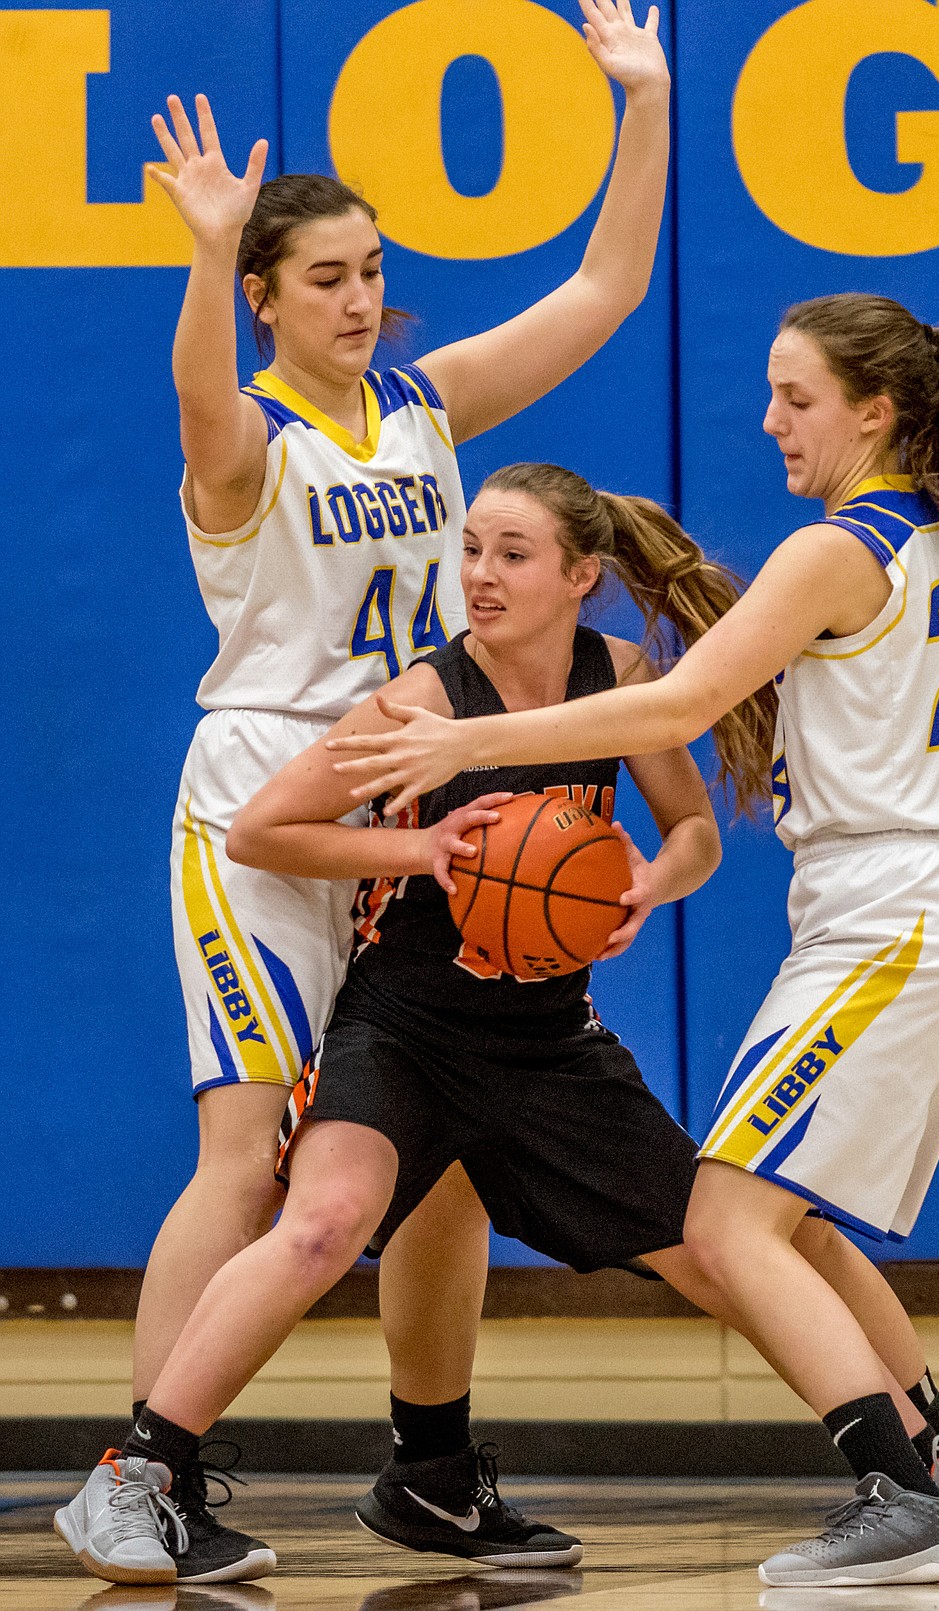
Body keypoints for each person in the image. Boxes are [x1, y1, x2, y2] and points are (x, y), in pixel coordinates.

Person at [322, 295, 939, 1587]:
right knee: (794, 1222)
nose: (768, 420)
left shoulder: (834, 549)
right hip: (932, 895)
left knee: (728, 1216)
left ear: (873, 410)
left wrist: (463, 739)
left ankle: (896, 1491)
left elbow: (686, 695)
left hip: (886, 911)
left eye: (794, 398)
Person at [75, 0, 673, 1585]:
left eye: (371, 271)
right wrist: (208, 253)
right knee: (252, 1149)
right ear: (269, 296)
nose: (362, 297)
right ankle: (149, 1470)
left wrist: (646, 104)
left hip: (416, 792)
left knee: (447, 1143)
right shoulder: (248, 443)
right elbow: (199, 394)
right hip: (267, 801)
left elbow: (608, 287)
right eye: (326, 276)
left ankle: (431, 1468)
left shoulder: (419, 408)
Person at [57, 463, 764, 1581]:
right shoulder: (423, 700)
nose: (478, 574)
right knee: (324, 1219)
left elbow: (694, 833)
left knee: (722, 1247)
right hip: (406, 1018)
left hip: (542, 1038)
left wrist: (647, 887)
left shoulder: (617, 677)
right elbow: (260, 831)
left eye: (511, 555)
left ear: (582, 576)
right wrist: (419, 847)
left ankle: (911, 1471)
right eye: (470, 548)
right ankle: (133, 1479)